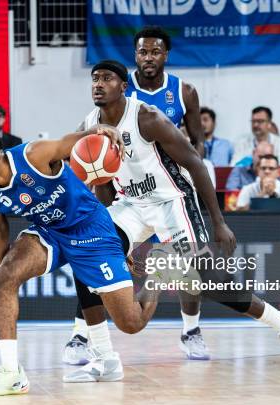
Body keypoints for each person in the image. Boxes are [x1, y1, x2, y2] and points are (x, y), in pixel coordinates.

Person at [64, 60, 280, 382]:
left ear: (123, 86)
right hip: (130, 204)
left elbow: (195, 163)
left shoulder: (147, 118)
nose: (98, 84)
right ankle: (103, 356)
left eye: (107, 79)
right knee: (88, 249)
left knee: (208, 279)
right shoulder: (89, 124)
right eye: (94, 78)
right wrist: (111, 236)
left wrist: (218, 222)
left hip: (172, 202)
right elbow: (101, 182)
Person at [0, 128, 163, 396]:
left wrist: (99, 131)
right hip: (51, 233)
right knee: (7, 272)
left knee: (131, 323)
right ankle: (12, 374)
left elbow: (72, 141)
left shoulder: (33, 155)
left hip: (91, 228)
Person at [64, 26, 210, 364]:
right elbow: (96, 151)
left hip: (174, 191)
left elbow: (196, 142)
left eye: (154, 52)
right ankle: (80, 335)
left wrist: (193, 179)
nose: (148, 57)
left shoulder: (183, 91)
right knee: (94, 253)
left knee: (190, 266)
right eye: (142, 52)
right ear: (135, 56)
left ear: (165, 55)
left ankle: (191, 330)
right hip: (129, 188)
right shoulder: (117, 93)